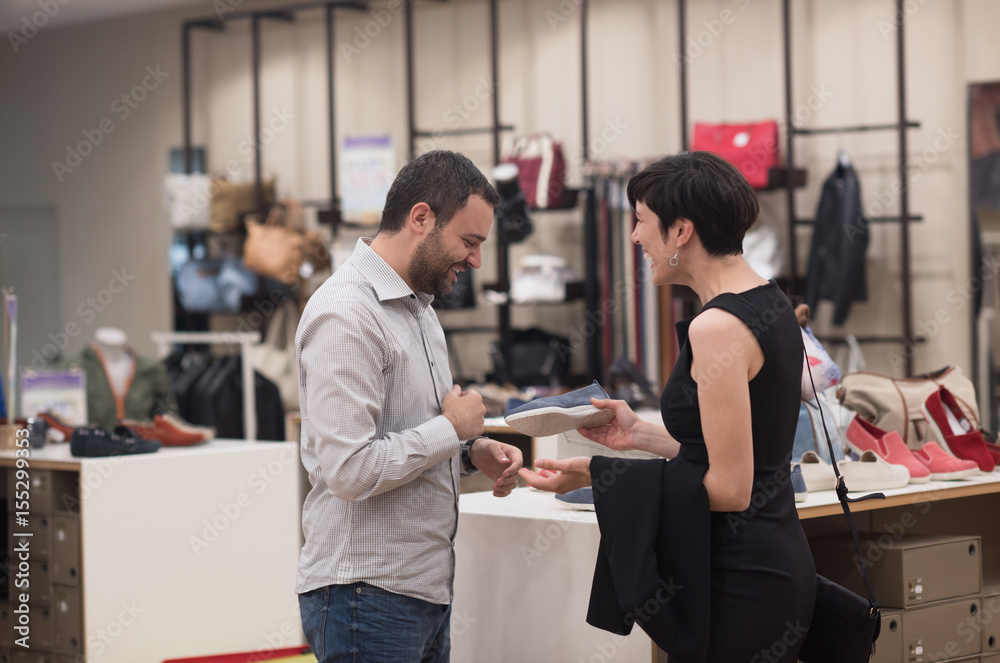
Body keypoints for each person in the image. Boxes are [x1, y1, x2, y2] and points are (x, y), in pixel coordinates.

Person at [520, 151, 816, 662]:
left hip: (739, 577)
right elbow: (734, 452)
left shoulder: (718, 327)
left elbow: (730, 488)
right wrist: (640, 436)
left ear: (681, 230)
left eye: (641, 222)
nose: (635, 238)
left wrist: (603, 475)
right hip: (770, 561)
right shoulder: (770, 301)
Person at [296, 150, 523, 663]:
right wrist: (451, 429)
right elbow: (350, 470)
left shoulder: (419, 310)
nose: (476, 260)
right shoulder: (347, 314)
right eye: (469, 242)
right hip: (365, 596)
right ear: (420, 218)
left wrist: (469, 452)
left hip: (419, 590)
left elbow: (407, 435)